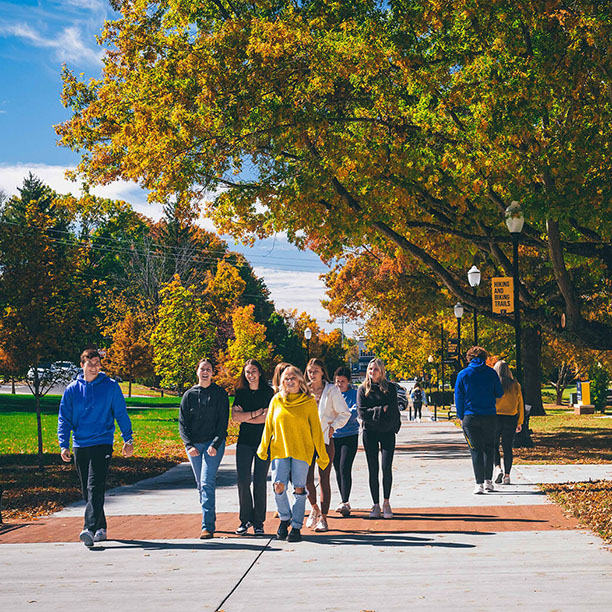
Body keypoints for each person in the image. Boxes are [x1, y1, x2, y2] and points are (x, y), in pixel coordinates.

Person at [57, 348, 134, 547]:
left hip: (103, 442)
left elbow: (121, 413)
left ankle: (89, 529)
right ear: (82, 365)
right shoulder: (72, 389)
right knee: (87, 491)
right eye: (90, 364)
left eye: (97, 363)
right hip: (80, 444)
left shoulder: (110, 386)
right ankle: (101, 527)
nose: (94, 367)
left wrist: (128, 439)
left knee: (94, 486)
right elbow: (64, 418)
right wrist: (63, 444)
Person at [257, 365, 328, 543]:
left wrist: (322, 454)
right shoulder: (276, 400)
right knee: (278, 486)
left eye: (293, 379)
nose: (289, 382)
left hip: (302, 451)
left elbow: (316, 430)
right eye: (286, 379)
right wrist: (263, 447)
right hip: (280, 450)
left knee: (299, 488)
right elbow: (269, 426)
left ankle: (296, 527)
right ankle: (284, 518)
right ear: (281, 382)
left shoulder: (308, 402)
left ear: (299, 381)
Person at [179, 358, 229, 539]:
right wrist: (189, 445)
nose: (205, 372)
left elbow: (223, 424)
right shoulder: (189, 395)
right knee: (201, 484)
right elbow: (182, 424)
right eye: (202, 369)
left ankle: (207, 526)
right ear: (197, 372)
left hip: (213, 444)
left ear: (213, 372)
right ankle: (210, 515)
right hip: (194, 446)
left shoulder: (220, 394)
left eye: (209, 369)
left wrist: (215, 444)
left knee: (207, 482)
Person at [305, 358, 351, 532]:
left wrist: (333, 427)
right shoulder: (303, 390)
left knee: (324, 479)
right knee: (307, 480)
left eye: (316, 371)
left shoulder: (331, 390)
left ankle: (323, 518)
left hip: (324, 440)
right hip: (306, 441)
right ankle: (314, 508)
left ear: (323, 372)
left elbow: (344, 413)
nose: (312, 374)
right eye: (310, 371)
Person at [231, 359, 275, 536]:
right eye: (248, 372)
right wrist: (257, 413)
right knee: (242, 480)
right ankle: (245, 520)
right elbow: (235, 417)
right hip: (244, 442)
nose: (251, 375)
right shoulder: (241, 392)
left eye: (254, 371)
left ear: (260, 373)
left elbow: (267, 418)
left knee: (259, 481)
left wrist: (246, 416)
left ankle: (258, 522)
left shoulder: (268, 392)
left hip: (263, 442)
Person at [454, 346, 503, 494]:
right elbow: (499, 393)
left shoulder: (463, 374)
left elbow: (458, 397)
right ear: (485, 358)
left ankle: (479, 484)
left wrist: (461, 416)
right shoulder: (491, 373)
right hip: (489, 415)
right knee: (489, 448)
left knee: (475, 450)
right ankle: (489, 481)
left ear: (469, 358)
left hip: (471, 416)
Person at [357, 358, 401, 519]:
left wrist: (376, 412)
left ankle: (386, 501)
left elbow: (393, 411)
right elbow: (362, 413)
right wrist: (381, 410)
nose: (372, 372)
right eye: (370, 369)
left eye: (375, 369)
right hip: (370, 433)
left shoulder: (390, 388)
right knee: (373, 469)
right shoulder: (363, 389)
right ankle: (375, 504)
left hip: (387, 432)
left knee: (386, 467)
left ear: (381, 371)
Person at [332, 366, 360, 517]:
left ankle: (345, 501)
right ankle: (342, 500)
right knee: (337, 468)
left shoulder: (354, 394)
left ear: (348, 381)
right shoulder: (332, 394)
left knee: (344, 467)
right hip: (334, 436)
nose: (339, 384)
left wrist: (341, 415)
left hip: (349, 435)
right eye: (337, 381)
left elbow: (353, 413)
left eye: (342, 382)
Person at [493, 360, 525, 485]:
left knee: (493, 445)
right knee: (507, 447)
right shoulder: (515, 385)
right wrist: (520, 422)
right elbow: (520, 404)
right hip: (510, 418)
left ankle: (497, 468)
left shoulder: (493, 385)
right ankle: (507, 476)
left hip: (495, 417)